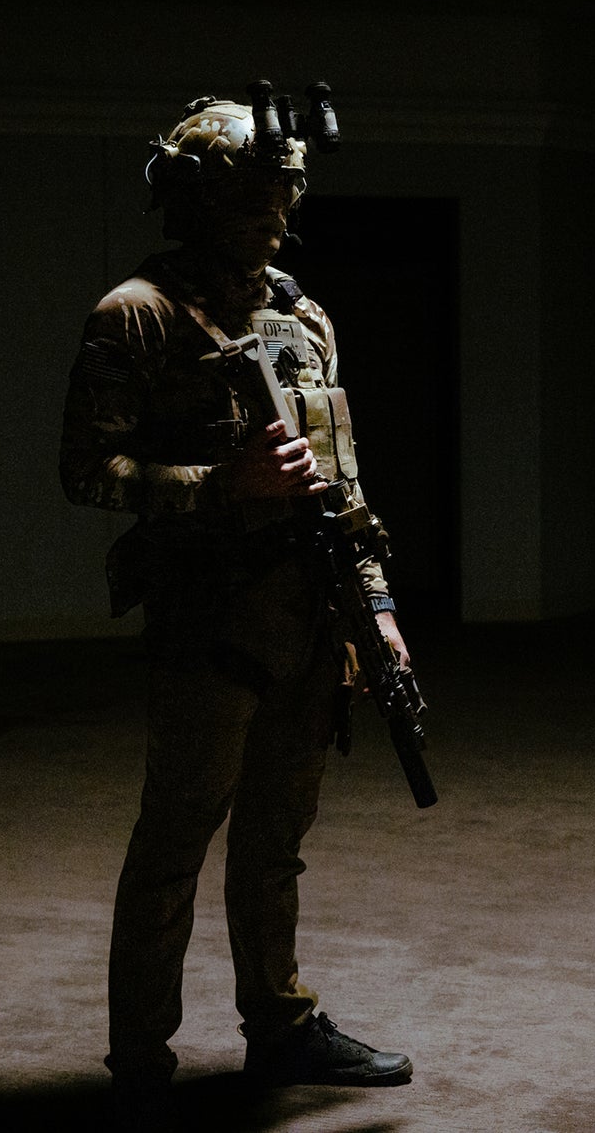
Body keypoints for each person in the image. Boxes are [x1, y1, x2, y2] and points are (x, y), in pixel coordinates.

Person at [61, 89, 415, 1129]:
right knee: (175, 839)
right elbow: (87, 470)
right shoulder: (136, 314)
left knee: (276, 837)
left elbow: (342, 476)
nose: (274, 215)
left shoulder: (303, 315)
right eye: (251, 197)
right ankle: (139, 1059)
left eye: (282, 195)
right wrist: (221, 484)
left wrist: (378, 609)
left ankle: (280, 1021)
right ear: (193, 201)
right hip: (207, 617)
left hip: (308, 609)